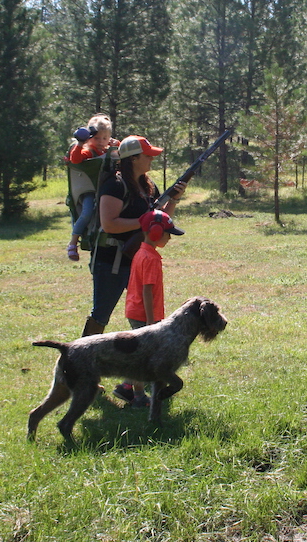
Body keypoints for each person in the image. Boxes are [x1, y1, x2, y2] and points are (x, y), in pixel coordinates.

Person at [82, 135, 186, 338]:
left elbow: (159, 220)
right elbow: (109, 223)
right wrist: (143, 221)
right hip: (110, 258)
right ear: (133, 158)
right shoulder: (114, 184)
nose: (152, 159)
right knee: (101, 314)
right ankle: (80, 354)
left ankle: (147, 350)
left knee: (144, 311)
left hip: (137, 258)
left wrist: (173, 200)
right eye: (147, 155)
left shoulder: (148, 185)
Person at [113, 209, 185, 407]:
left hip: (135, 310)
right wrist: (152, 322)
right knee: (143, 358)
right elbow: (147, 290)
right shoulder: (151, 259)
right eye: (168, 233)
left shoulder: (141, 252)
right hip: (144, 314)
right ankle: (137, 396)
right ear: (155, 232)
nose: (170, 238)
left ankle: (127, 387)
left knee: (141, 354)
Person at [66, 114, 116, 262]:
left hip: (104, 190)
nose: (101, 142)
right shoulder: (89, 151)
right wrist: (80, 144)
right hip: (89, 190)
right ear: (89, 137)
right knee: (87, 212)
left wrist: (114, 144)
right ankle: (73, 242)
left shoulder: (106, 150)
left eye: (105, 138)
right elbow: (75, 159)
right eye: (97, 138)